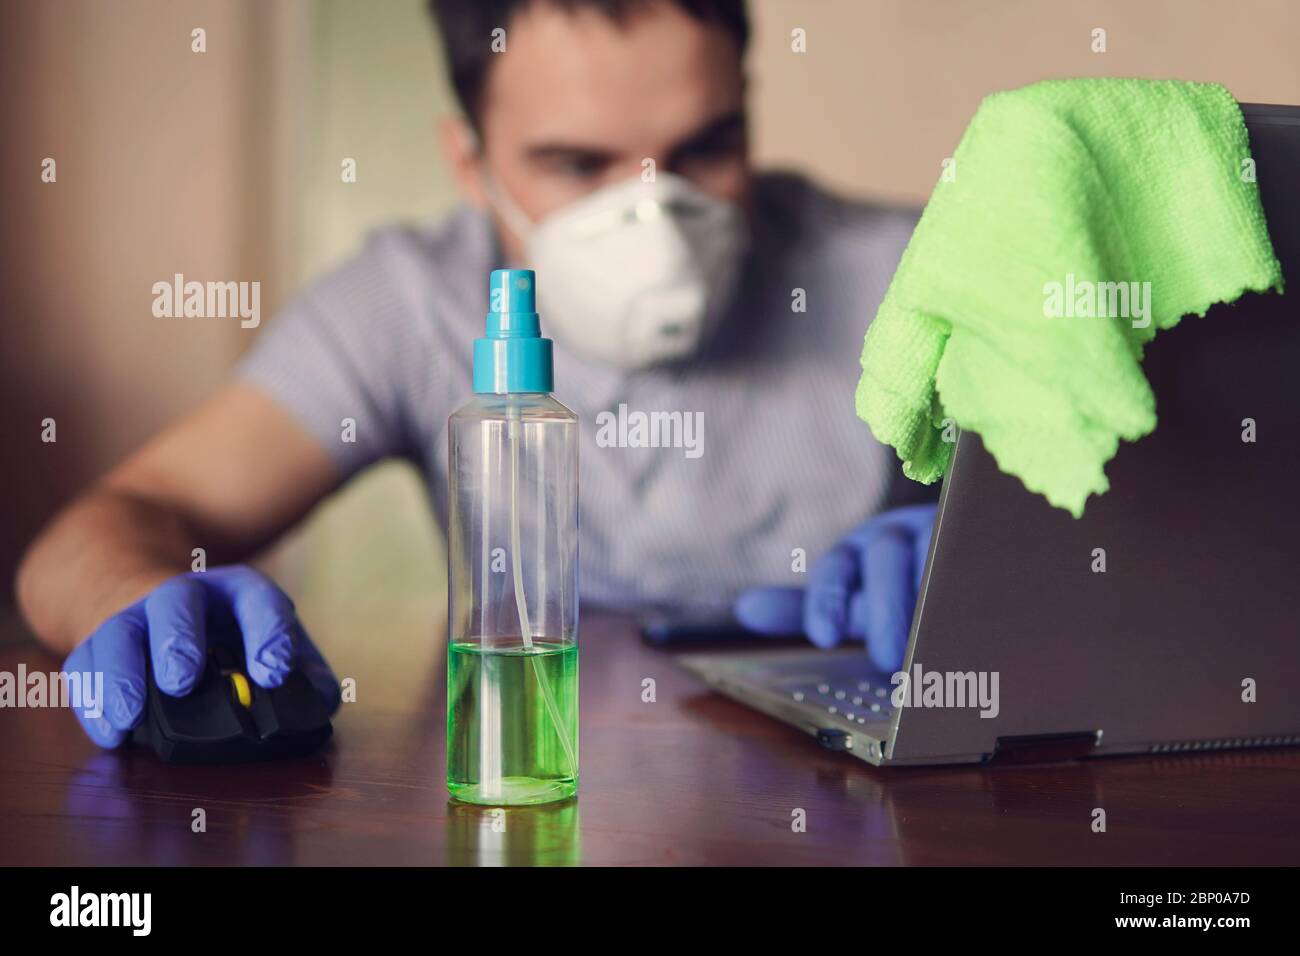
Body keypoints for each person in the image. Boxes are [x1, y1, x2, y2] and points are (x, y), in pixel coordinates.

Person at [15, 0, 935, 747]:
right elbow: (96, 534)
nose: (655, 220)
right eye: (578, 163)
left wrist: (1006, 572)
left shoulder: (914, 278)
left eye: (705, 149)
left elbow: (1072, 541)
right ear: (469, 162)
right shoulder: (409, 303)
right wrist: (138, 601)